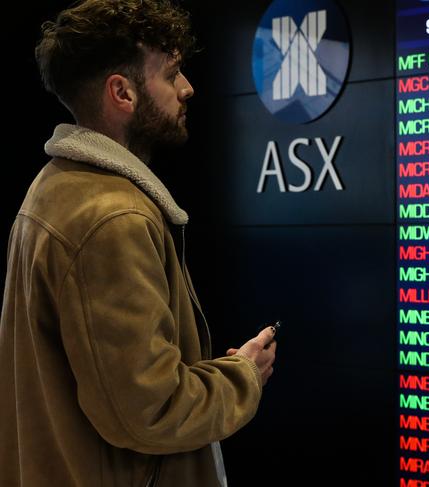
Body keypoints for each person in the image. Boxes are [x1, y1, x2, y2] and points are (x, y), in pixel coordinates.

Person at [0, 1, 276, 486]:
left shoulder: (55, 187)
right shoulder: (111, 219)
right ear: (122, 92)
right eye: (171, 75)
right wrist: (243, 376)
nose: (188, 87)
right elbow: (150, 412)